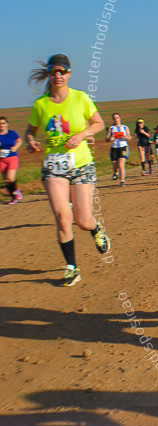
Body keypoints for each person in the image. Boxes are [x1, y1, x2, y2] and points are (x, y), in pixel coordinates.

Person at [24, 54, 110, 286]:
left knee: (82, 220)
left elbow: (99, 123)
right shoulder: (40, 104)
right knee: (63, 217)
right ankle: (72, 267)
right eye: (54, 71)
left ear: (69, 73)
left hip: (81, 164)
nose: (58, 75)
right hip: (53, 166)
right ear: (49, 74)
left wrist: (82, 134)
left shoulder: (81, 98)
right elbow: (30, 130)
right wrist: (30, 141)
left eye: (63, 71)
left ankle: (95, 229)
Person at [0, 116, 23, 204]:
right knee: (6, 181)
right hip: (2, 160)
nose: (1, 125)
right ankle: (14, 197)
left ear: (7, 124)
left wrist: (15, 147)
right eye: (0, 123)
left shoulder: (12, 133)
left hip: (12, 158)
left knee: (10, 177)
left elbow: (19, 141)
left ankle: (16, 191)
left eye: (3, 123)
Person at [106, 113, 131, 187]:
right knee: (115, 164)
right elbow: (107, 138)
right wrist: (110, 139)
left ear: (120, 118)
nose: (116, 119)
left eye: (117, 118)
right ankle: (115, 173)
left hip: (123, 147)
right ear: (113, 119)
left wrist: (125, 136)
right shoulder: (111, 128)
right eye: (114, 118)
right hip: (114, 147)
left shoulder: (125, 127)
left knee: (121, 165)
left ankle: (122, 181)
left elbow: (129, 137)